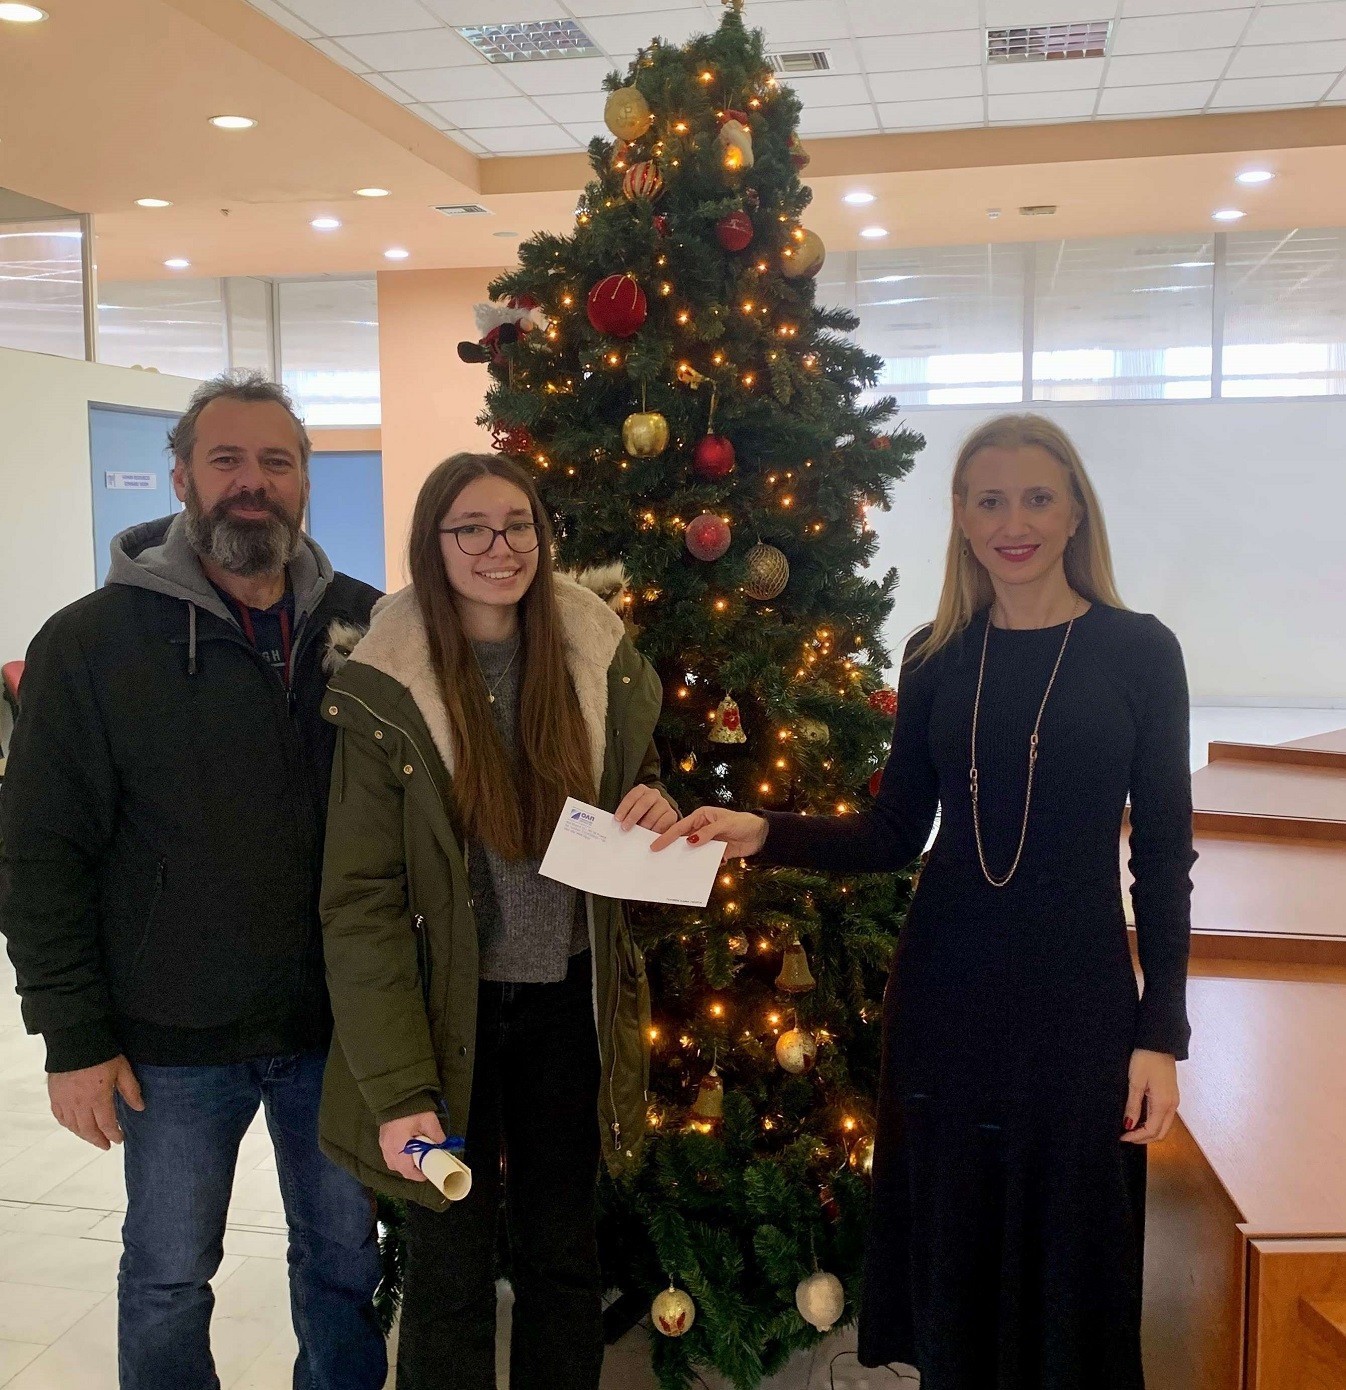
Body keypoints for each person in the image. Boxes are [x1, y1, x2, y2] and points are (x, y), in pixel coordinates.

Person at [653, 413, 1196, 1390]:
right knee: (960, 1259)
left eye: (1037, 498)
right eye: (989, 501)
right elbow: (894, 831)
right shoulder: (935, 654)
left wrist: (1160, 1032)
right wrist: (763, 830)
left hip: (1077, 1005)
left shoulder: (1139, 652)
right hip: (946, 999)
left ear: (1074, 511)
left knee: (1071, 1265)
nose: (1013, 522)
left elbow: (1161, 858)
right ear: (960, 516)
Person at [0, 372, 386, 1390]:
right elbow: (39, 853)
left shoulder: (371, 628)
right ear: (181, 478)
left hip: (338, 1028)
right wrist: (73, 1036)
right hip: (168, 1040)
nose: (251, 482)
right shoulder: (90, 644)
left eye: (276, 461)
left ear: (304, 481)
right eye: (226, 460)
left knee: (345, 1268)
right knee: (169, 1277)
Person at [317, 452, 675, 1390]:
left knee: (563, 1257)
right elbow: (360, 899)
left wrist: (653, 803)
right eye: (470, 528)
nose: (499, 547)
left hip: (566, 1005)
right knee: (447, 1271)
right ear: (432, 543)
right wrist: (400, 1085)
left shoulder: (591, 652)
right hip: (449, 1013)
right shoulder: (388, 680)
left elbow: (635, 784)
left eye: (517, 525)